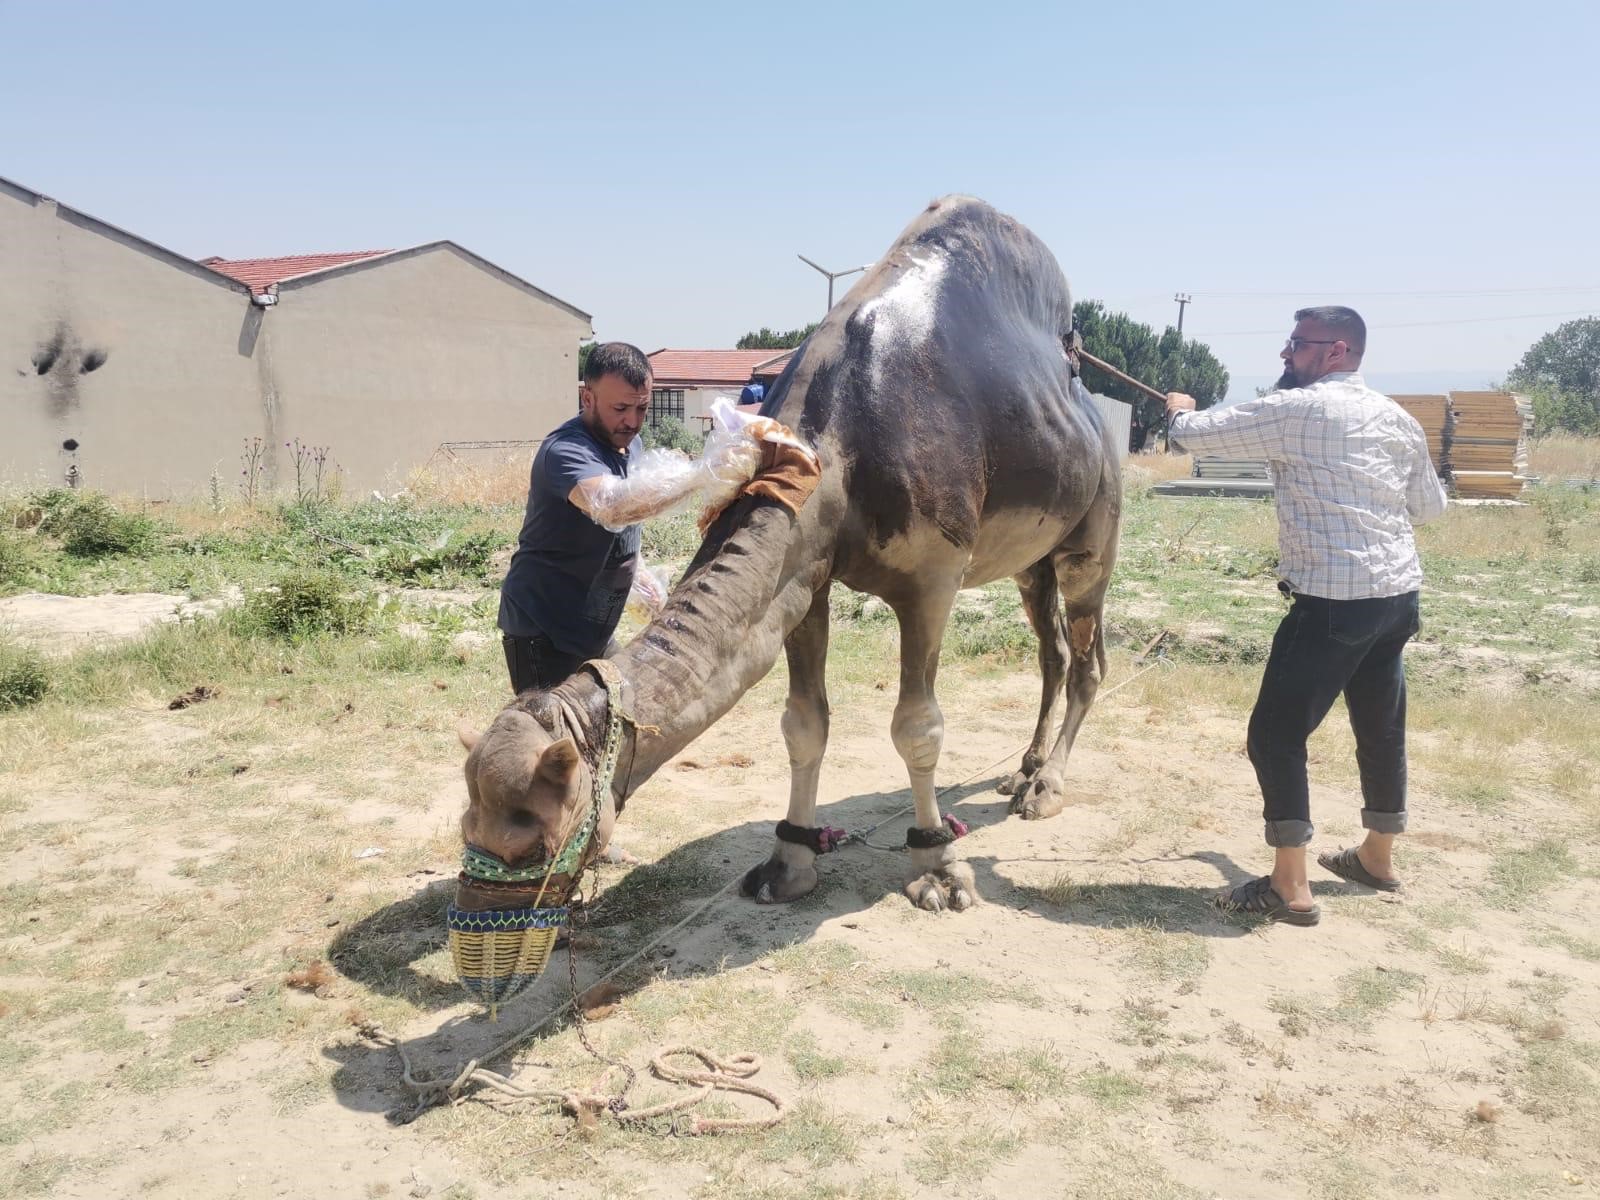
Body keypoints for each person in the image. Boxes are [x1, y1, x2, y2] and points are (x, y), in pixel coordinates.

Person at [1164, 306, 1448, 926]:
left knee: (1274, 735)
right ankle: (1377, 856)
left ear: (1337, 351)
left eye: (1297, 345)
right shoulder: (1397, 418)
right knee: (1381, 727)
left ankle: (1289, 886)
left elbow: (1196, 436)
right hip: (1397, 599)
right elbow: (1429, 507)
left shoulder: (1297, 411)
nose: (1286, 355)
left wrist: (1179, 408)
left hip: (1329, 605)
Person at [498, 341, 667, 694]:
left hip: (592, 629)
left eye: (642, 408)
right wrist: (698, 477)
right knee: (554, 742)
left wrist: (637, 569)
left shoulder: (629, 444)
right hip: (545, 631)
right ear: (587, 397)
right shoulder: (566, 450)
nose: (632, 421)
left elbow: (623, 522)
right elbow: (613, 505)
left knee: (622, 714)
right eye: (620, 408)